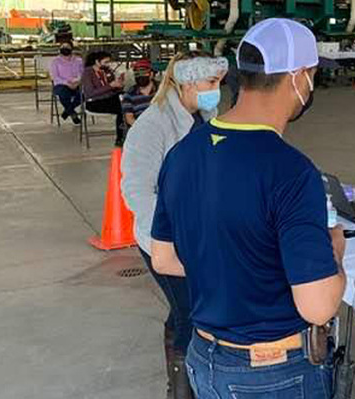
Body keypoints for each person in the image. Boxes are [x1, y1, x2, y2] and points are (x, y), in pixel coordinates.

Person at [150, 18, 345, 398]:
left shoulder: (183, 152)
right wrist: (334, 249)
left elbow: (164, 257)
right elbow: (319, 307)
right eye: (313, 75)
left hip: (204, 358)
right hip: (271, 374)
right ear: (297, 77)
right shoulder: (290, 170)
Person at [121, 51, 226, 399]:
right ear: (186, 81)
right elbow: (136, 190)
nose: (217, 90)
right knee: (192, 314)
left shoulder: (206, 118)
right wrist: (172, 241)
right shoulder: (154, 125)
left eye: (219, 83)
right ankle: (183, 392)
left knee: (183, 308)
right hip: (165, 241)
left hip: (201, 236)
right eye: (211, 83)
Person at [82, 50, 126, 145]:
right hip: (95, 102)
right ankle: (120, 138)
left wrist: (119, 84)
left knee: (127, 101)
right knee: (122, 109)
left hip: (109, 98)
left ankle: (126, 133)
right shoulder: (88, 73)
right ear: (97, 62)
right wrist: (110, 86)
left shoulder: (107, 71)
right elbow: (90, 93)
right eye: (105, 62)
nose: (108, 64)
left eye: (109, 62)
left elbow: (112, 89)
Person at [49, 41, 83, 125]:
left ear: (71, 49)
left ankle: (67, 111)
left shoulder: (78, 60)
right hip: (61, 85)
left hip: (77, 83)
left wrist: (77, 82)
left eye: (67, 46)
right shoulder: (55, 61)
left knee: (85, 93)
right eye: (63, 46)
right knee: (63, 94)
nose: (65, 48)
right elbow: (55, 77)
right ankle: (72, 113)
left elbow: (82, 73)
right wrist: (66, 83)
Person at [121, 59, 158, 129]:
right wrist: (142, 129)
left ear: (151, 74)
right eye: (137, 74)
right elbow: (129, 118)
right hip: (142, 129)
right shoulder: (129, 95)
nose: (140, 76)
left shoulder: (162, 90)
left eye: (143, 73)